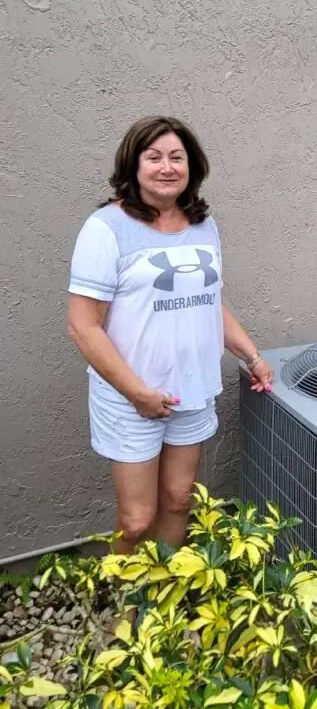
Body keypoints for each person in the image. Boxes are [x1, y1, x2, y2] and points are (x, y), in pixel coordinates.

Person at [67, 115, 273, 555]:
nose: (167, 167)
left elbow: (209, 303)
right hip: (132, 400)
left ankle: (162, 605)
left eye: (176, 157)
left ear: (191, 166)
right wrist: (137, 392)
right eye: (154, 156)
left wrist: (251, 356)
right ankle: (123, 612)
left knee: (179, 502)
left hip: (192, 391)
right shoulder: (106, 229)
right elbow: (83, 325)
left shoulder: (203, 225)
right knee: (136, 520)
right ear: (133, 165)